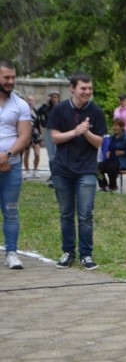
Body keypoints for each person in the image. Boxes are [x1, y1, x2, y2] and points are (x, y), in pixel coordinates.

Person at [47, 72, 108, 270]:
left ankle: (86, 255)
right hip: (62, 170)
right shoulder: (60, 109)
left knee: (85, 215)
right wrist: (75, 131)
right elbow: (54, 137)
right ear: (73, 88)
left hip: (86, 171)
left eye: (90, 88)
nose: (87, 92)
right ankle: (68, 252)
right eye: (83, 88)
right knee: (66, 214)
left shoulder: (96, 112)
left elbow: (99, 141)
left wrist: (86, 131)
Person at [0, 59, 32, 270]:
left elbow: (25, 136)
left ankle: (11, 252)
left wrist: (7, 155)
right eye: (6, 77)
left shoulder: (20, 104)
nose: (10, 81)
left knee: (11, 210)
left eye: (13, 77)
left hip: (11, 167)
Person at [97, 118, 126, 191]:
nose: (114, 128)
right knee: (97, 167)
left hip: (124, 162)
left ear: (122, 127)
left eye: (116, 126)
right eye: (113, 125)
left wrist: (124, 152)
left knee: (111, 168)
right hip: (113, 160)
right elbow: (111, 148)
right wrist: (109, 152)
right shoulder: (112, 137)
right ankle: (104, 186)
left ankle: (112, 187)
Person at [37, 91, 60, 185]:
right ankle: (53, 175)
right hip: (49, 131)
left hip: (59, 132)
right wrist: (44, 103)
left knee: (57, 155)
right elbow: (38, 112)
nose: (54, 99)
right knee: (51, 157)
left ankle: (57, 176)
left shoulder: (61, 107)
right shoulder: (47, 108)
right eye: (52, 97)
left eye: (56, 97)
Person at [23, 95, 42, 179]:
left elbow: (38, 124)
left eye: (32, 100)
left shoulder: (36, 111)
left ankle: (35, 170)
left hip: (36, 134)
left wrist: (40, 133)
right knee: (27, 153)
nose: (30, 102)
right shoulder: (23, 111)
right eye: (29, 100)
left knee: (37, 154)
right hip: (27, 134)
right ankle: (27, 170)